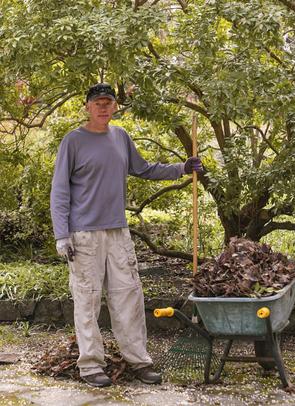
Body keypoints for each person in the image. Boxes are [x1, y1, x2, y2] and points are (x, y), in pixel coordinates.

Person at [50, 83, 203, 388]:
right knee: (87, 300)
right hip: (83, 236)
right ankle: (91, 365)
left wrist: (181, 168)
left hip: (118, 231)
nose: (103, 108)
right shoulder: (73, 141)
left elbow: (144, 169)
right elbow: (60, 191)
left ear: (115, 106)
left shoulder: (120, 137)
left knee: (128, 297)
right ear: (87, 107)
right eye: (98, 103)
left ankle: (139, 361)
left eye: (108, 102)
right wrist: (61, 235)